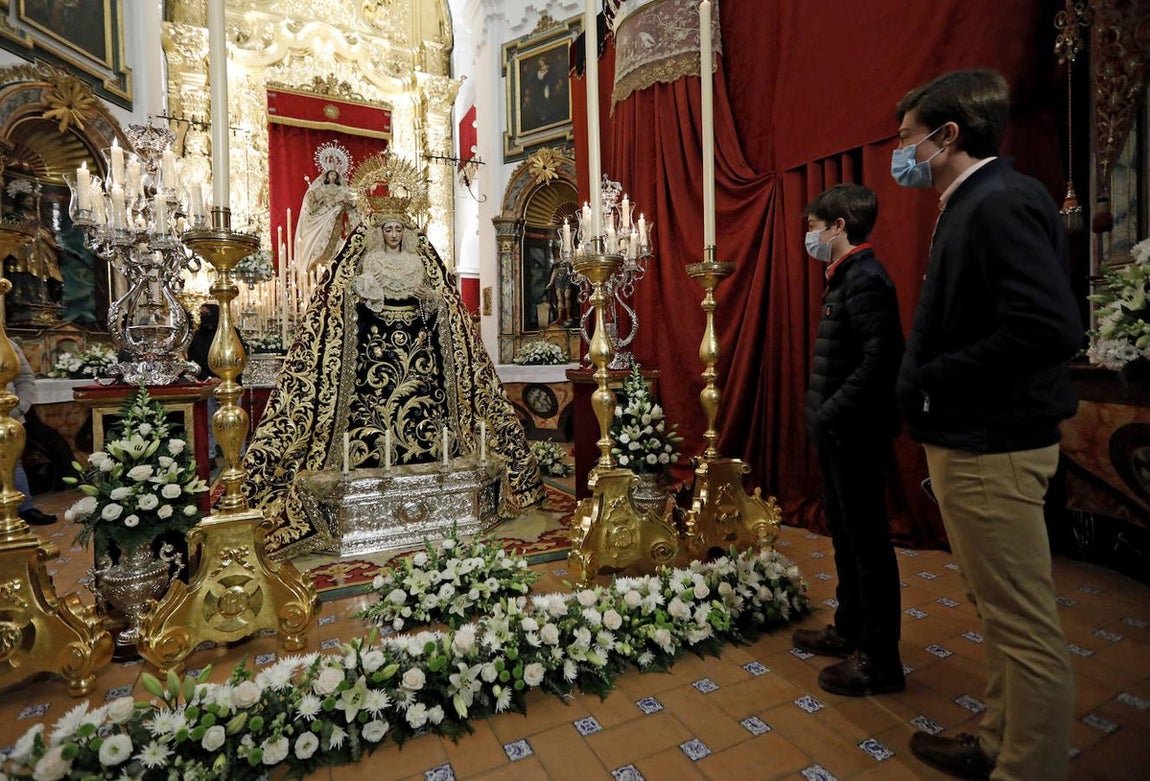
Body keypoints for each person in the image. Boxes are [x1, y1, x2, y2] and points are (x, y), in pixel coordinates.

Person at [892, 69, 1082, 781]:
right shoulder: (976, 199)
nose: (900, 152)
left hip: (992, 443)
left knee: (1024, 626)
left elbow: (1046, 326)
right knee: (996, 610)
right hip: (974, 441)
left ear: (948, 135)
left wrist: (935, 375)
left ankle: (1024, 767)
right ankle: (999, 739)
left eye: (907, 139)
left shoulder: (996, 201)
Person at [244, 207, 544, 560]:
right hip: (374, 349)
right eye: (387, 229)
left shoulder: (418, 264)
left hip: (418, 352)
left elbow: (438, 304)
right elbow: (349, 303)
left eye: (398, 229)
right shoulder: (369, 263)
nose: (393, 234)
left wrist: (431, 300)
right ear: (378, 233)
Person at [793, 184, 905, 697]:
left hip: (854, 432)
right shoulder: (843, 278)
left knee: (868, 545)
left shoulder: (866, 279)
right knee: (845, 535)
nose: (809, 236)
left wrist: (832, 413)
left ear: (840, 226)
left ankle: (879, 659)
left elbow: (880, 362)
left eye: (815, 227)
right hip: (839, 432)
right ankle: (850, 627)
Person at [6, 339, 57, 526]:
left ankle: (25, 509)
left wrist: (19, 407)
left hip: (9, 415)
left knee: (14, 462)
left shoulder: (8, 344)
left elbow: (25, 378)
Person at [293, 167, 357, 273]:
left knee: (335, 240)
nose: (333, 176)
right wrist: (311, 197)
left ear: (337, 177)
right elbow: (315, 200)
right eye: (331, 174)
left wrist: (346, 199)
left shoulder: (341, 189)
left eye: (335, 175)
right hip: (323, 215)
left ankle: (332, 265)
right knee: (319, 238)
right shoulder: (323, 188)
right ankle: (315, 267)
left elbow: (350, 199)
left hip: (337, 216)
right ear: (327, 176)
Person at [520, 54, 568, 132]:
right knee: (539, 103)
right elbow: (533, 82)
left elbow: (553, 80)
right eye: (539, 61)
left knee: (548, 102)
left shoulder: (550, 71)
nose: (540, 63)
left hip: (547, 90)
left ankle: (547, 116)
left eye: (541, 61)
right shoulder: (537, 72)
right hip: (539, 92)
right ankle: (542, 116)